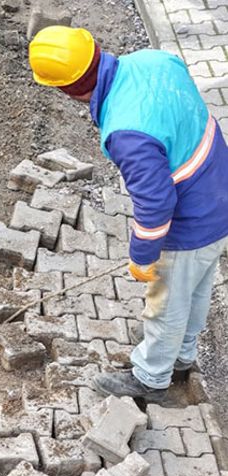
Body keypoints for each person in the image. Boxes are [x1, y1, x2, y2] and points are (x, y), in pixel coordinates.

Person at [28, 26, 228, 402]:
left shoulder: (127, 131)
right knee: (196, 287)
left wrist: (143, 256)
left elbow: (155, 203)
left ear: (66, 90)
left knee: (166, 299)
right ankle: (182, 354)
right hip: (220, 187)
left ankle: (151, 379)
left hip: (194, 218)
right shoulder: (151, 59)